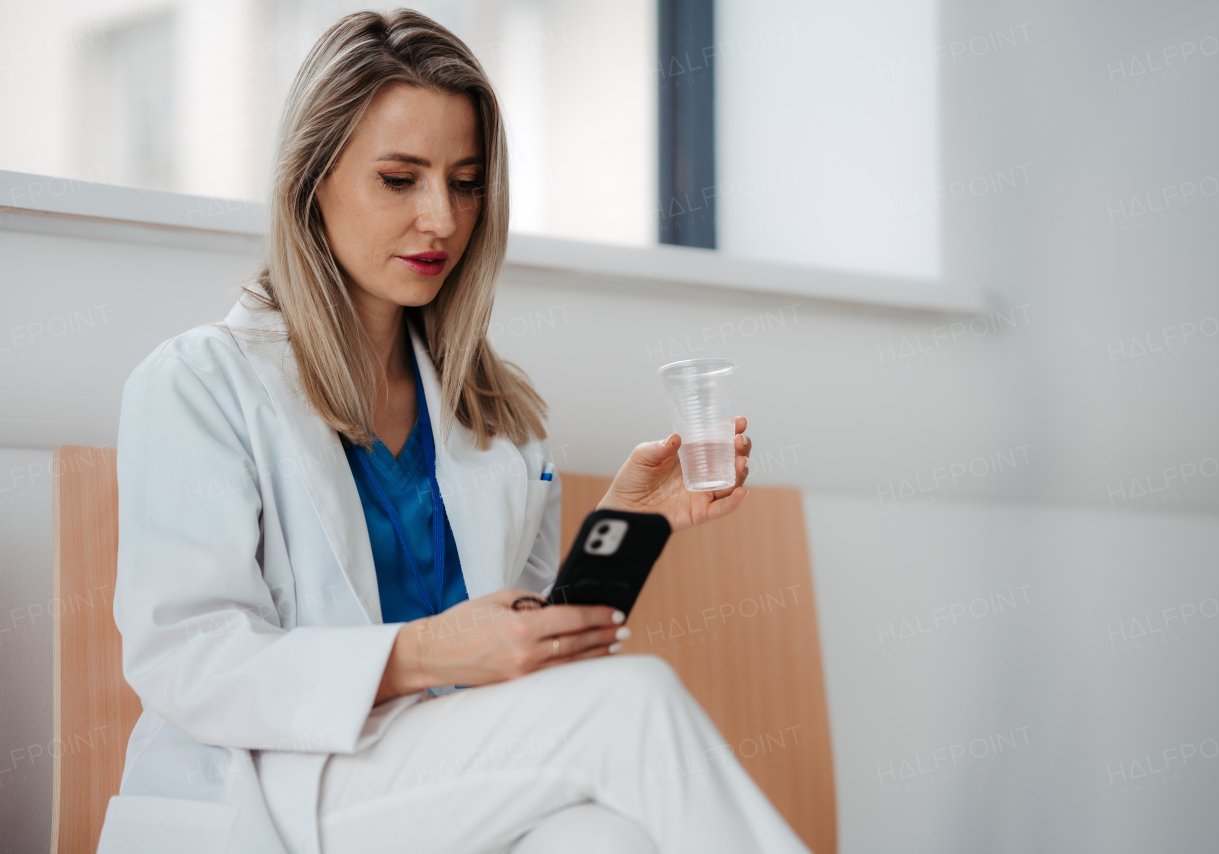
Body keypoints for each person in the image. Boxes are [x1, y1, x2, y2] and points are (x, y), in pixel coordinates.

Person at [100, 9, 811, 854]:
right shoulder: (197, 385)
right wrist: (425, 652)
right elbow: (189, 659)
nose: (441, 218)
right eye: (400, 179)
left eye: (465, 182)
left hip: (444, 793)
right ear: (312, 179)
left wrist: (633, 523)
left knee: (602, 838)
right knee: (638, 698)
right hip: (276, 789)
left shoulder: (498, 420)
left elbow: (529, 673)